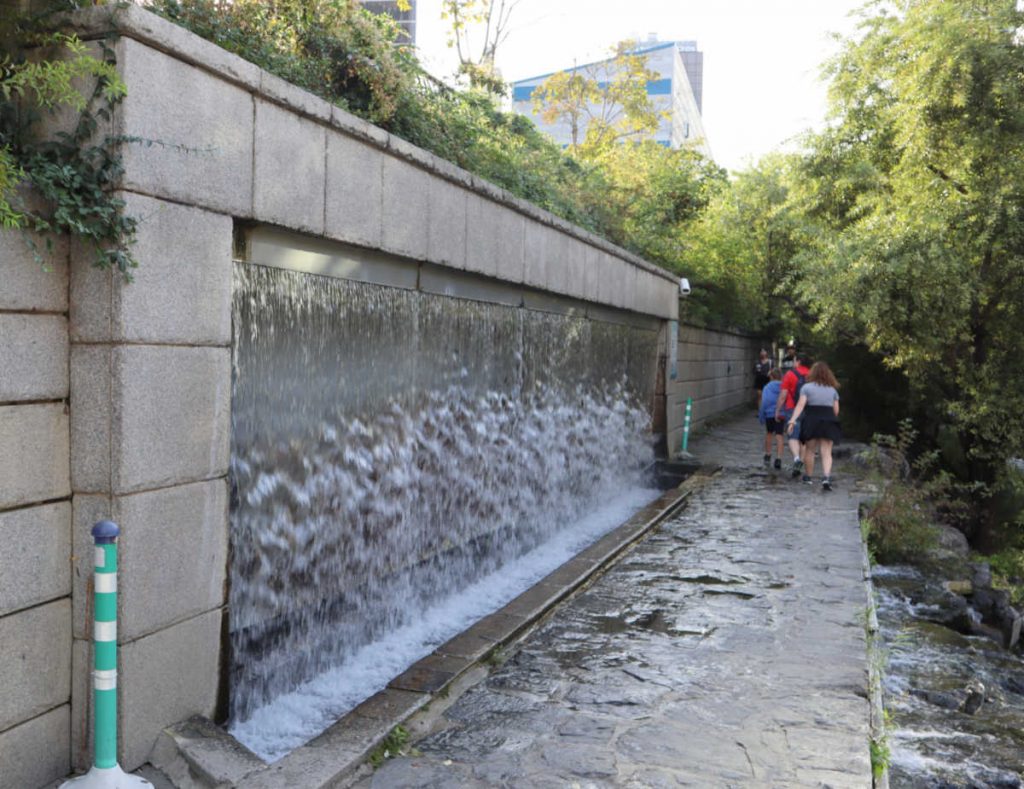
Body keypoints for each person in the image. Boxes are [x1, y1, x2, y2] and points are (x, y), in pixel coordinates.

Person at [786, 361, 841, 490]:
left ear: (813, 373)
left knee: (810, 450)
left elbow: (800, 405)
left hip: (811, 419)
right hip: (828, 420)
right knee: (826, 452)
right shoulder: (833, 390)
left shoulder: (806, 388)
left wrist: (792, 420)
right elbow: (836, 410)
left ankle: (808, 477)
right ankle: (826, 478)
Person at [775, 353, 812, 477]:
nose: (793, 363)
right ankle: (800, 462)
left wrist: (778, 410)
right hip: (809, 410)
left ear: (799, 361)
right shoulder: (812, 375)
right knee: (804, 439)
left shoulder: (790, 374)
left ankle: (796, 459)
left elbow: (783, 395)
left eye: (795, 360)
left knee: (792, 437)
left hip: (792, 409)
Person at [758, 369, 785, 469]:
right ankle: (779, 458)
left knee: (769, 433)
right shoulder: (784, 386)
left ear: (771, 377)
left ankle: (768, 454)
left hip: (769, 413)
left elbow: (764, 402)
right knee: (779, 435)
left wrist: (761, 415)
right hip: (781, 414)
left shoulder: (767, 387)